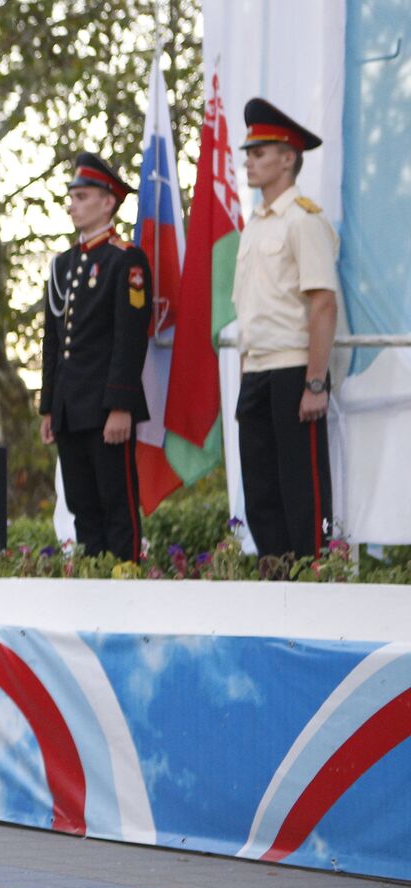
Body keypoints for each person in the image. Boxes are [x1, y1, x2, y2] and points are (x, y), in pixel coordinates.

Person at [232, 98, 339, 559]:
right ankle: (275, 586)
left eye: (260, 152)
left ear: (288, 157)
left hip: (295, 370)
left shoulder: (303, 219)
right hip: (257, 370)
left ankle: (315, 581)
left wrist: (315, 381)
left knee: (303, 488)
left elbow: (322, 303)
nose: (250, 161)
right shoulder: (255, 225)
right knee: (261, 490)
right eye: (249, 153)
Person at [39, 152, 150, 560]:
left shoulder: (126, 259)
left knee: (117, 505)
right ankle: (94, 582)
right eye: (72, 197)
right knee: (82, 507)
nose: (72, 205)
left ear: (108, 201)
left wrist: (120, 405)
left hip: (106, 408)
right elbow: (53, 340)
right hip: (70, 408)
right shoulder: (63, 264)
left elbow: (130, 338)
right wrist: (49, 407)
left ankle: (125, 578)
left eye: (82, 196)